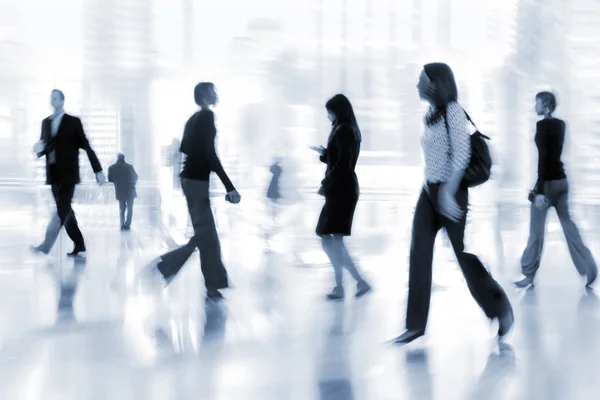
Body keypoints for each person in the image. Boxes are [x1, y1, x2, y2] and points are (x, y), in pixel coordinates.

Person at [392, 63, 513, 345]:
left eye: (420, 79)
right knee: (418, 253)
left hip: (452, 190)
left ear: (435, 84)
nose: (416, 84)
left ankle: (500, 308)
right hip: (429, 191)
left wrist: (447, 191)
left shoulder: (454, 112)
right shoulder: (430, 115)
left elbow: (462, 154)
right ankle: (415, 326)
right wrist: (431, 188)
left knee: (462, 255)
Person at [139, 82, 241, 301]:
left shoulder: (192, 119)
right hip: (196, 180)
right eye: (213, 91)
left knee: (208, 235)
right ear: (204, 96)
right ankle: (165, 267)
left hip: (190, 179)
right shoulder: (206, 117)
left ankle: (214, 285)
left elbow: (185, 148)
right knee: (206, 234)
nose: (217, 94)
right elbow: (210, 154)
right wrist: (229, 185)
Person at [514, 91, 597, 288]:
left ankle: (528, 274)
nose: (535, 106)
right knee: (568, 225)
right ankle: (589, 267)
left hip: (548, 184)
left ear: (547, 105)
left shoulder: (542, 125)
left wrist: (540, 191)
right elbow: (554, 154)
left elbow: (544, 158)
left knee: (536, 232)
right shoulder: (561, 125)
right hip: (562, 182)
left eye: (538, 103)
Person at [311, 94, 371, 301]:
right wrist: (324, 153)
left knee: (330, 239)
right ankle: (350, 284)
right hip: (342, 188)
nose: (328, 116)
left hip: (341, 189)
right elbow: (339, 158)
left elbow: (344, 163)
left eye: (329, 111)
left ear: (337, 110)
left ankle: (349, 283)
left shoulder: (344, 129)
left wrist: (324, 184)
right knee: (332, 239)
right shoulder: (346, 128)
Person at [31, 89, 105, 256]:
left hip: (69, 175)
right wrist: (38, 150)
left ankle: (45, 246)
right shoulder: (46, 123)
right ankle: (79, 244)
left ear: (62, 101)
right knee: (65, 211)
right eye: (51, 98)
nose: (52, 101)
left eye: (55, 98)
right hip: (53, 175)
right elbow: (46, 146)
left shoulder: (73, 122)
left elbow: (86, 146)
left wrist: (98, 170)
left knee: (61, 209)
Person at [108, 153, 138, 230]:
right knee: (130, 208)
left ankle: (122, 224)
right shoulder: (129, 167)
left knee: (122, 209)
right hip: (130, 190)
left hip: (120, 190)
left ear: (117, 158)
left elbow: (110, 179)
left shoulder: (112, 168)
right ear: (124, 158)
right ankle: (127, 224)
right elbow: (135, 177)